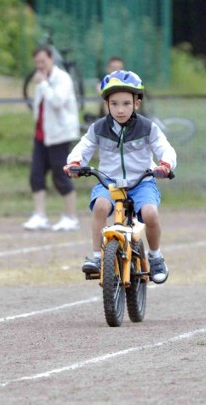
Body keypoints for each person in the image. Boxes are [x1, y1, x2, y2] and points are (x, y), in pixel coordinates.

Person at [64, 70, 176, 283]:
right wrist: (75, 163)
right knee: (100, 207)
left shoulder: (148, 127)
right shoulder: (99, 128)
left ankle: (155, 257)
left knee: (150, 214)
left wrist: (165, 164)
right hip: (109, 182)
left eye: (126, 103)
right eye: (114, 104)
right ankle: (97, 257)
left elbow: (164, 148)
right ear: (107, 104)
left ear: (137, 103)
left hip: (141, 182)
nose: (120, 109)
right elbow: (84, 146)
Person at [23, 46, 80, 232]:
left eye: (43, 61)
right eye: (37, 63)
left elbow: (57, 102)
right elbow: (39, 107)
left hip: (60, 135)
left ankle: (71, 216)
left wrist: (44, 84)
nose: (40, 66)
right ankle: (40, 215)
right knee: (36, 175)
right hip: (42, 135)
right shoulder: (42, 81)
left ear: (51, 59)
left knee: (61, 174)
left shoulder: (61, 78)